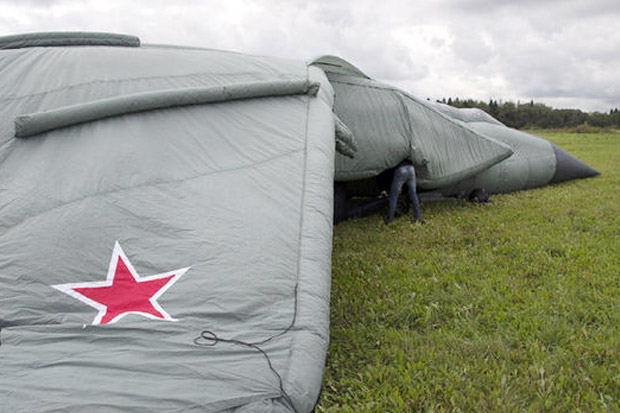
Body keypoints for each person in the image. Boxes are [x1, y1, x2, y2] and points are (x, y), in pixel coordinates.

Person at [386, 159, 423, 224]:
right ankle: (418, 217)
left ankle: (390, 220)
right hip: (411, 168)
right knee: (413, 194)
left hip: (401, 169)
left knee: (394, 196)